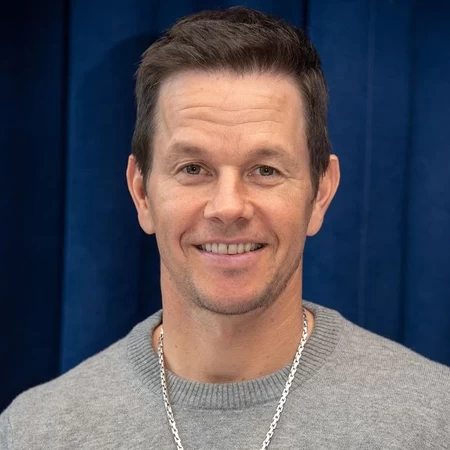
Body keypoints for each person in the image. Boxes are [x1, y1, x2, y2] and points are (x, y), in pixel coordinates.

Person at [1, 6, 449, 449]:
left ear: (320, 194)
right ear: (142, 193)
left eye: (266, 170)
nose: (228, 207)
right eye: (193, 168)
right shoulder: (36, 433)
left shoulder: (434, 421)